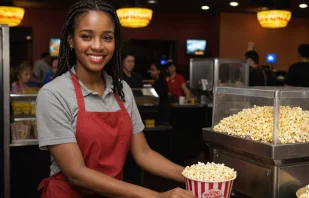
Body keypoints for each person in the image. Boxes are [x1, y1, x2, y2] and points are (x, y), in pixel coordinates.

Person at [35, 1, 194, 198]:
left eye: (107, 38)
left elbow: (143, 153)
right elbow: (76, 174)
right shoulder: (53, 94)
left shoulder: (122, 90)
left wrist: (193, 175)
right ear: (71, 40)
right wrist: (157, 196)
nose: (98, 46)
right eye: (86, 36)